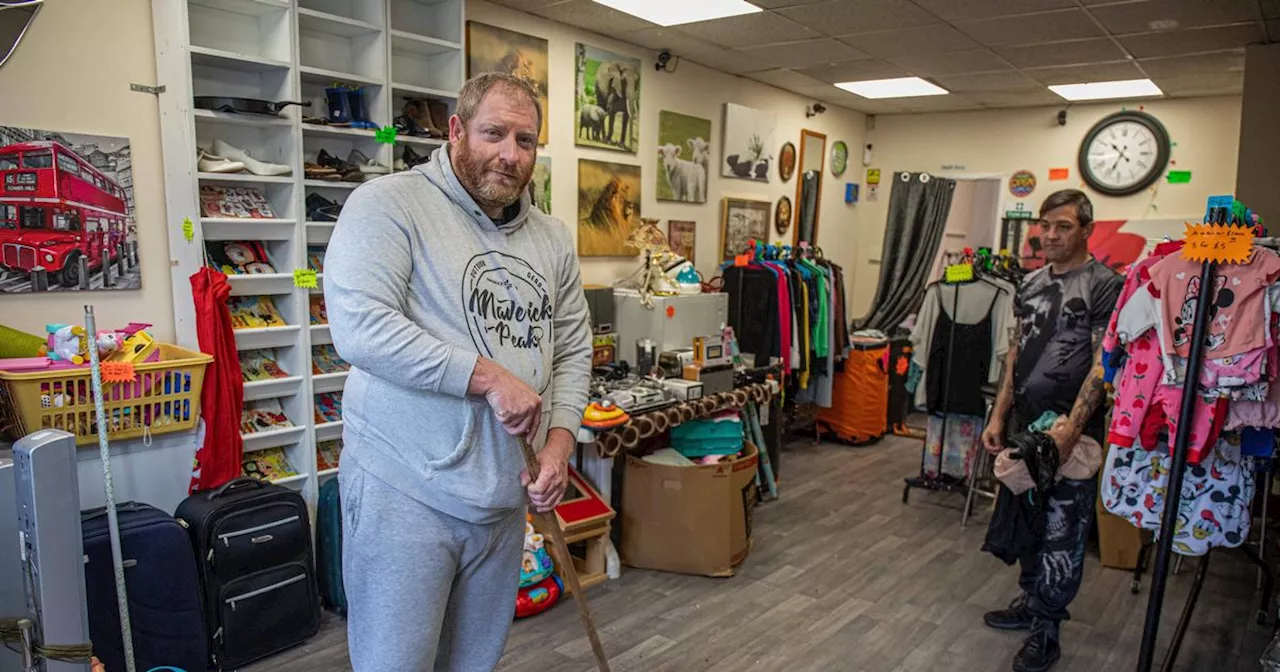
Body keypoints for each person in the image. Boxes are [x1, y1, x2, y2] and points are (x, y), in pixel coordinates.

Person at [324, 73, 593, 671]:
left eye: (525, 140)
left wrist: (558, 443)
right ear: (456, 131)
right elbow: (360, 326)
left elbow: (574, 348)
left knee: (474, 664)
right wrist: (489, 377)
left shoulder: (550, 237)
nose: (510, 154)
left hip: (502, 500)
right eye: (494, 133)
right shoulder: (388, 204)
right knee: (397, 664)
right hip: (405, 490)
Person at [980, 189, 1123, 672]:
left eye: (1063, 226)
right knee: (1027, 519)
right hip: (1024, 425)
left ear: (1087, 230)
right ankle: (1029, 599)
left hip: (1072, 432)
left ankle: (1048, 628)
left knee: (1063, 531)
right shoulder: (1029, 282)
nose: (1051, 234)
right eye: (1045, 225)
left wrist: (1070, 431)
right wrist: (999, 415)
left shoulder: (1106, 285)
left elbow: (1105, 364)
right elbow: (1015, 353)